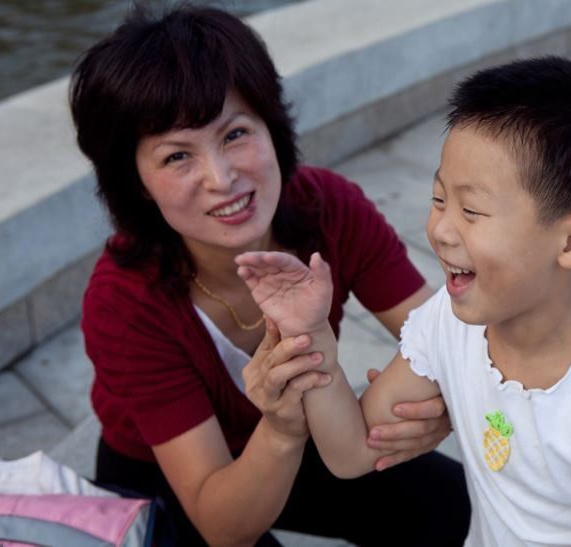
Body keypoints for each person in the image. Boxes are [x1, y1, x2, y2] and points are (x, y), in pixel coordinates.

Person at [236, 56, 571, 546]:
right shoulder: (450, 325)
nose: (440, 229)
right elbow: (352, 454)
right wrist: (313, 334)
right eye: (438, 199)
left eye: (471, 210)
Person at [71, 4, 469, 546]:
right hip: (165, 473)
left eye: (235, 134)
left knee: (450, 506)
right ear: (136, 181)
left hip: (300, 435)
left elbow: (445, 331)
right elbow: (222, 524)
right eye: (176, 157)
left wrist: (443, 407)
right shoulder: (124, 302)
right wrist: (281, 428)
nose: (222, 178)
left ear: (271, 125)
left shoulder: (328, 207)